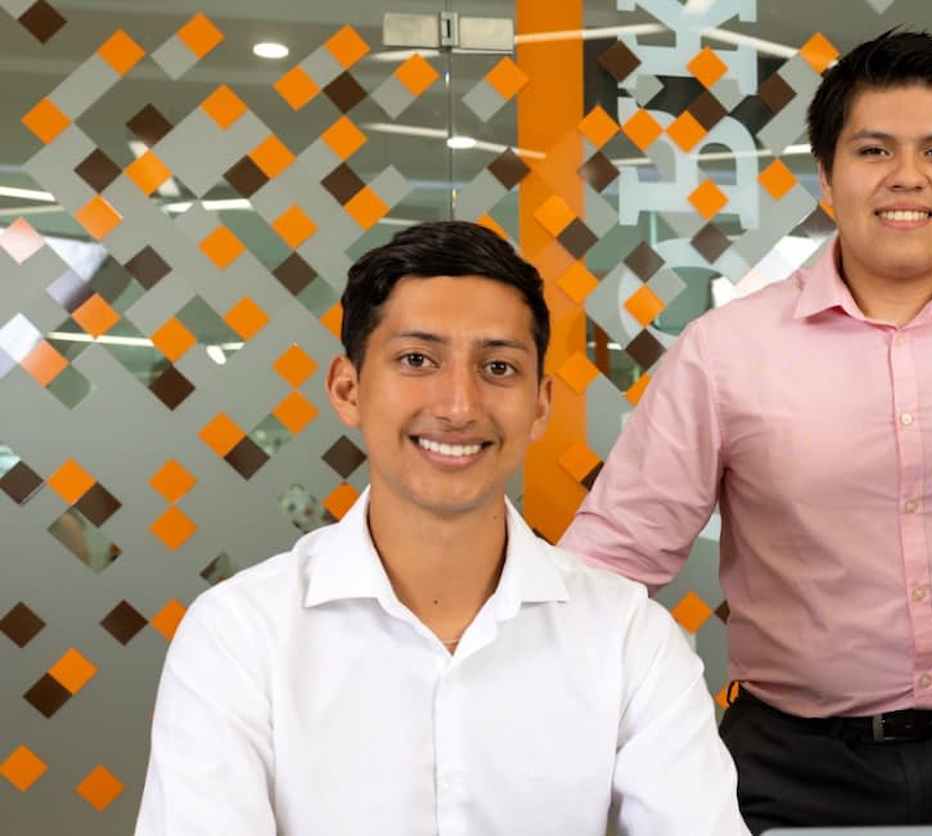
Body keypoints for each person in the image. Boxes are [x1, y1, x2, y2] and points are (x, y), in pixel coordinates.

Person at [557, 29, 932, 832]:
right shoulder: (727, 351)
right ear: (826, 175)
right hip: (790, 765)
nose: (906, 177)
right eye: (874, 149)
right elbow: (610, 566)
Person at [135, 221, 748, 836]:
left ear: (540, 404)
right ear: (347, 389)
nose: (459, 406)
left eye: (499, 367)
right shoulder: (240, 636)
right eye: (417, 360)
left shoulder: (627, 637)